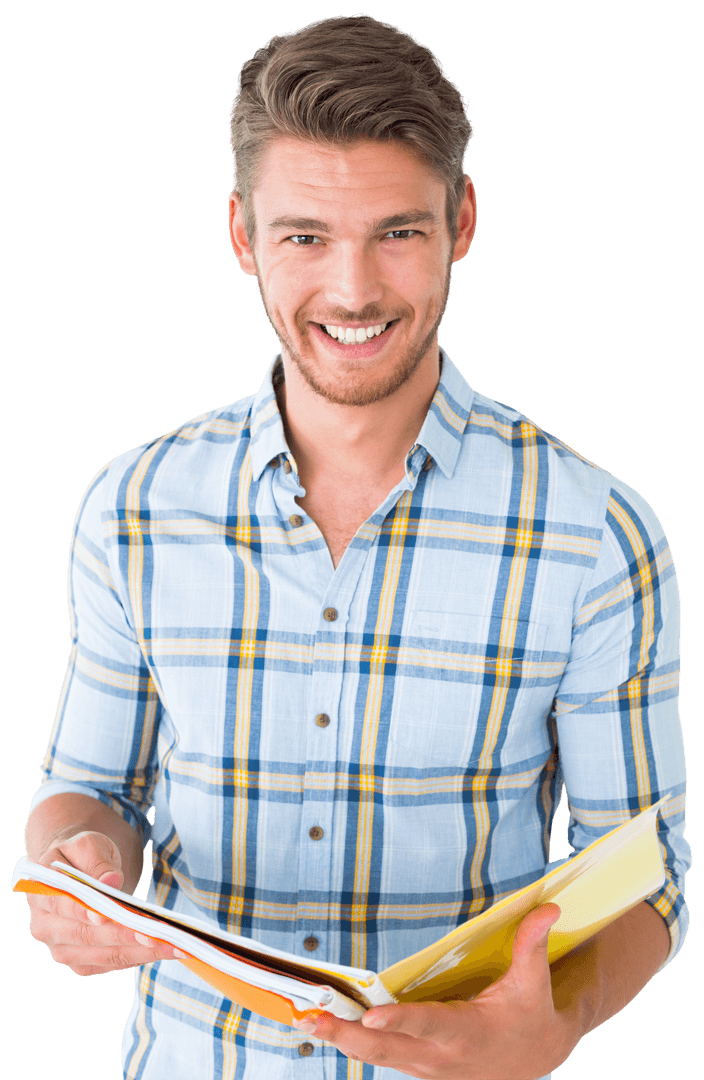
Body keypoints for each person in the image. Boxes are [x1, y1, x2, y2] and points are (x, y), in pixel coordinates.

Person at [22, 14, 689, 1080]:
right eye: (304, 238)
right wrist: (80, 869)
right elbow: (92, 787)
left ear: (460, 220)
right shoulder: (131, 505)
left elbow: (644, 876)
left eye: (397, 231)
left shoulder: (597, 533)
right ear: (241, 236)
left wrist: (554, 1022)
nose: (352, 290)